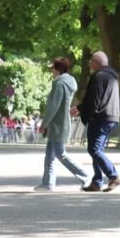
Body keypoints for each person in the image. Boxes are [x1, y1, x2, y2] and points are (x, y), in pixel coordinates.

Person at [35, 57, 90, 191]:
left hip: (58, 125)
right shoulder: (67, 83)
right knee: (50, 155)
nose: (52, 71)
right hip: (59, 124)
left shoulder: (60, 84)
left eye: (53, 68)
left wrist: (44, 124)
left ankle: (85, 176)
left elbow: (53, 106)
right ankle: (48, 184)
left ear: (58, 69)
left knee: (60, 154)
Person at [78, 51, 120, 192]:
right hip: (111, 117)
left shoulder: (98, 76)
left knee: (94, 149)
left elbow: (94, 99)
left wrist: (89, 115)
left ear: (97, 62)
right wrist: (80, 108)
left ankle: (113, 175)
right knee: (97, 150)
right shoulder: (112, 77)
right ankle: (97, 182)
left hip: (100, 118)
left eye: (91, 60)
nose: (90, 63)